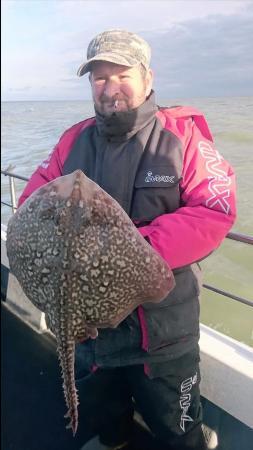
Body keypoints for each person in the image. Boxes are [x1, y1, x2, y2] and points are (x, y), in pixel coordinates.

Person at [18, 29, 236, 450]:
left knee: (176, 423)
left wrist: (132, 253)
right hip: (90, 327)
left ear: (147, 77)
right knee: (104, 413)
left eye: (122, 75)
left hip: (162, 327)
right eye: (100, 78)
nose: (110, 87)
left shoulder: (183, 136)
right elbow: (32, 203)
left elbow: (213, 208)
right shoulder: (73, 140)